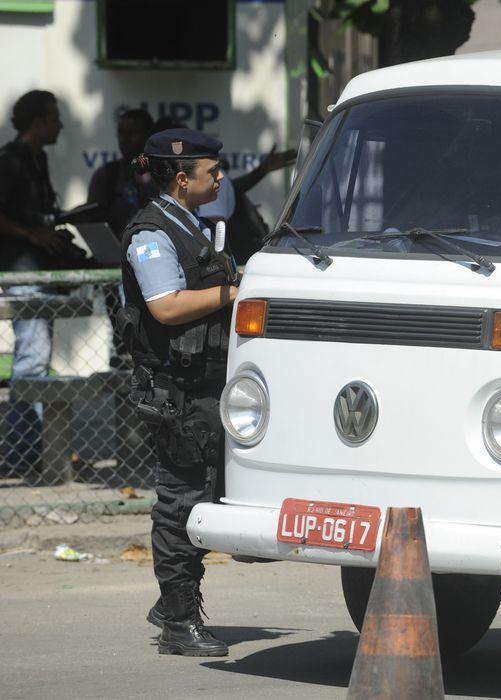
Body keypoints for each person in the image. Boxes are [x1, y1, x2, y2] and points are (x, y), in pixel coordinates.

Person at [119, 128, 238, 657]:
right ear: (183, 177)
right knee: (181, 502)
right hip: (175, 389)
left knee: (203, 495)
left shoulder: (191, 225)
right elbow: (166, 306)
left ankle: (172, 607)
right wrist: (233, 291)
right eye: (213, 171)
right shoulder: (152, 233)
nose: (221, 178)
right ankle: (178, 624)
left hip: (203, 385)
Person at [0, 90, 75, 475]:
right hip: (23, 273)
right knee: (31, 361)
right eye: (54, 117)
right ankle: (19, 455)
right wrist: (34, 235)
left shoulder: (37, 159)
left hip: (39, 274)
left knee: (36, 360)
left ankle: (26, 452)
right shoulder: (10, 160)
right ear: (37, 122)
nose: (60, 124)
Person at [86, 108, 159, 235]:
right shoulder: (106, 175)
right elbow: (93, 222)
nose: (124, 139)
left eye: (132, 133)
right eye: (121, 133)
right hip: (115, 252)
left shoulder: (164, 174)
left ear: (149, 135)